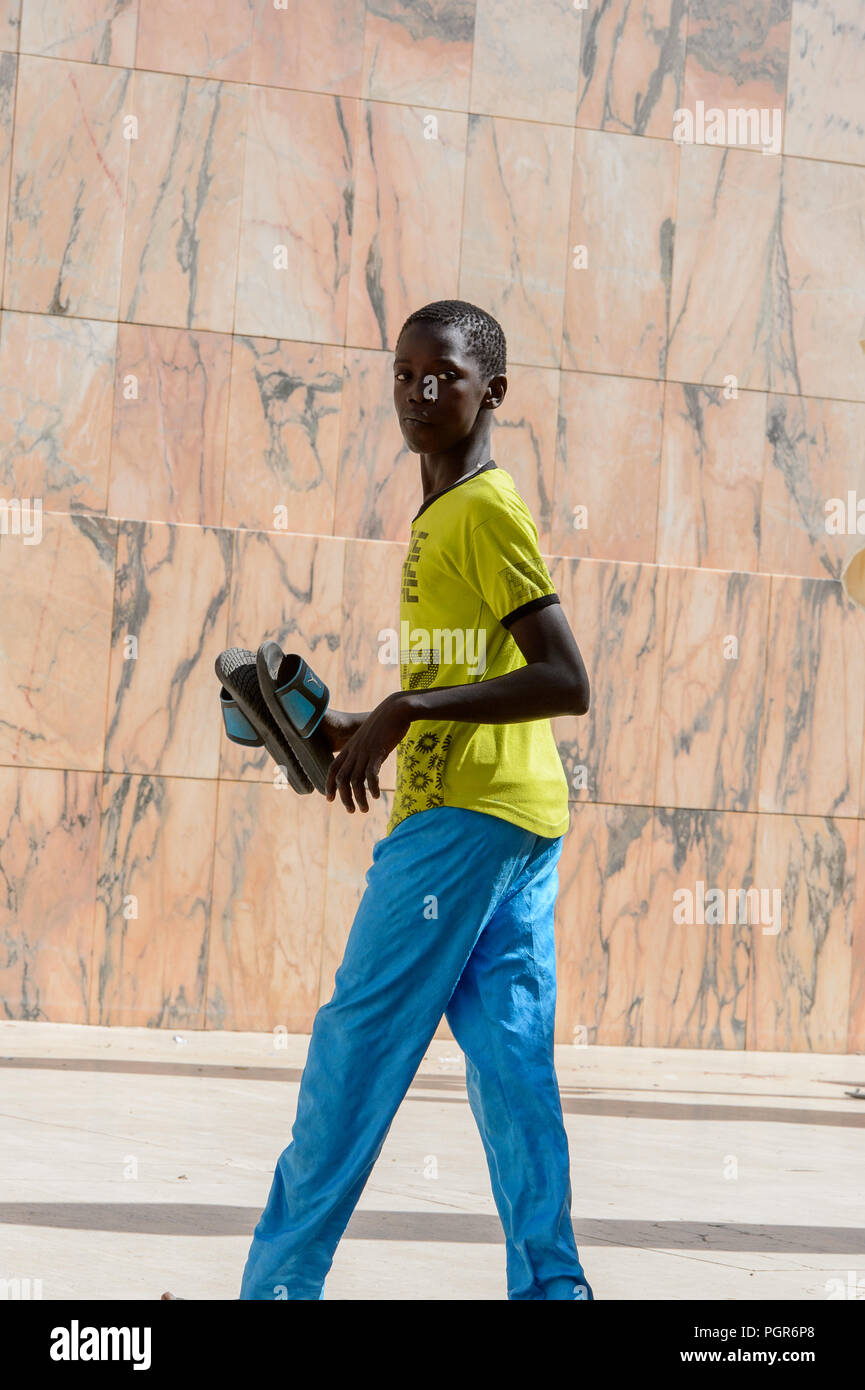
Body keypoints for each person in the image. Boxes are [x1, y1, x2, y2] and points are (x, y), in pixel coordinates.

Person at [240, 299, 593, 1301]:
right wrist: (369, 720)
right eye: (402, 374)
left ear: (493, 390)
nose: (417, 392)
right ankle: (554, 1290)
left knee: (355, 1049)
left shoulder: (483, 506)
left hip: (460, 834)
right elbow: (478, 673)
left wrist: (407, 705)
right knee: (513, 1071)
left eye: (439, 374)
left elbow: (565, 677)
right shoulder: (443, 511)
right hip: (518, 821)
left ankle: (274, 1288)